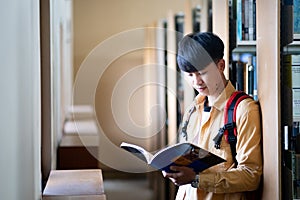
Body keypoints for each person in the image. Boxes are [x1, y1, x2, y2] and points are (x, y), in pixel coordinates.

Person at [162, 32, 262, 199]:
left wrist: (197, 179)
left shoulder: (244, 110)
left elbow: (251, 176)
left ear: (220, 65)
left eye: (202, 72)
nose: (196, 82)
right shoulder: (192, 109)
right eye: (190, 75)